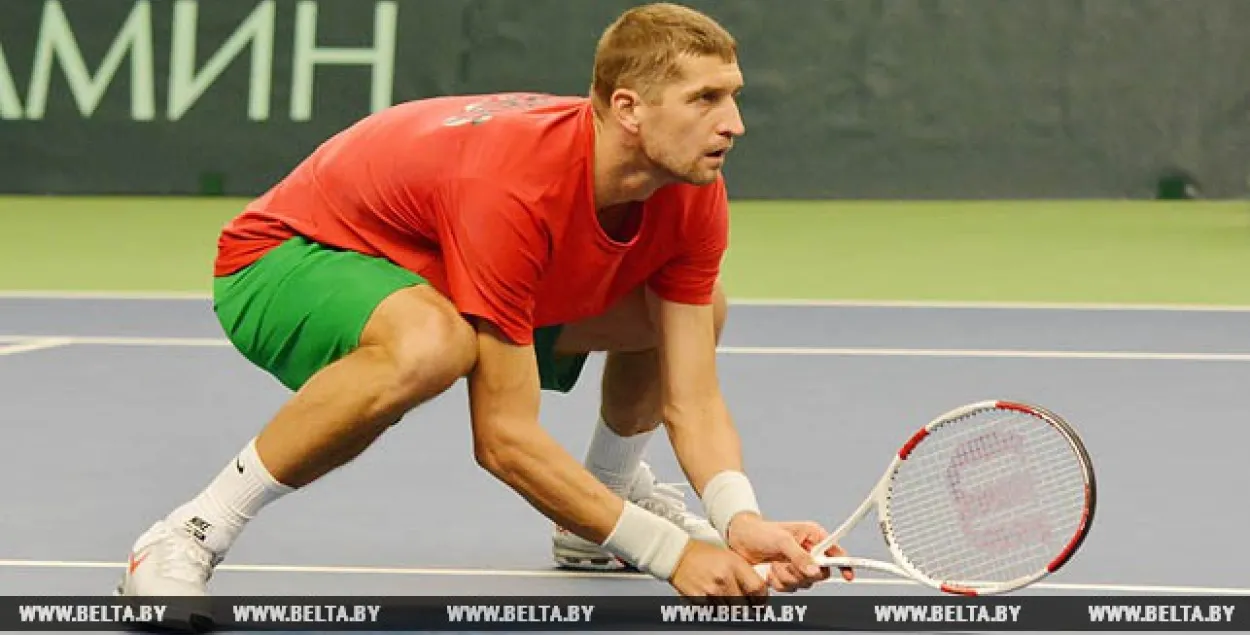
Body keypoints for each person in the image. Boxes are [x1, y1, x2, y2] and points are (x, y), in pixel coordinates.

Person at [116, 2, 853, 602]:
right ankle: (189, 532)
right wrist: (670, 552)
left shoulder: (692, 192)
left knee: (695, 308)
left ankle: (594, 509)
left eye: (733, 97)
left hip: (448, 262)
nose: (734, 123)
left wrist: (738, 519)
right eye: (705, 99)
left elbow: (693, 399)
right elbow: (502, 437)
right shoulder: (515, 187)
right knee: (432, 344)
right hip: (287, 256)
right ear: (628, 108)